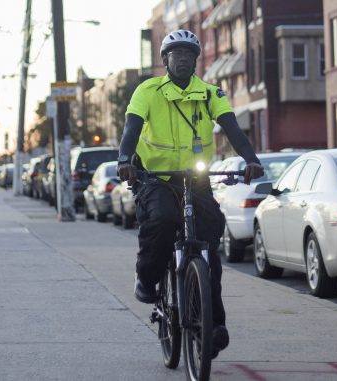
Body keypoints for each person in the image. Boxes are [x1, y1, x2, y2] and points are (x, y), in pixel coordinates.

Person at [117, 29, 264, 359]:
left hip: (195, 178)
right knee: (164, 220)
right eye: (176, 54)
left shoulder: (211, 93)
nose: (182, 59)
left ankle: (213, 326)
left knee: (210, 243)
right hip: (155, 176)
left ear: (196, 61)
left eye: (189, 55)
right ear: (165, 60)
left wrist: (251, 159)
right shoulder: (148, 90)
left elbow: (232, 129)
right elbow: (132, 129)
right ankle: (148, 278)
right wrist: (125, 159)